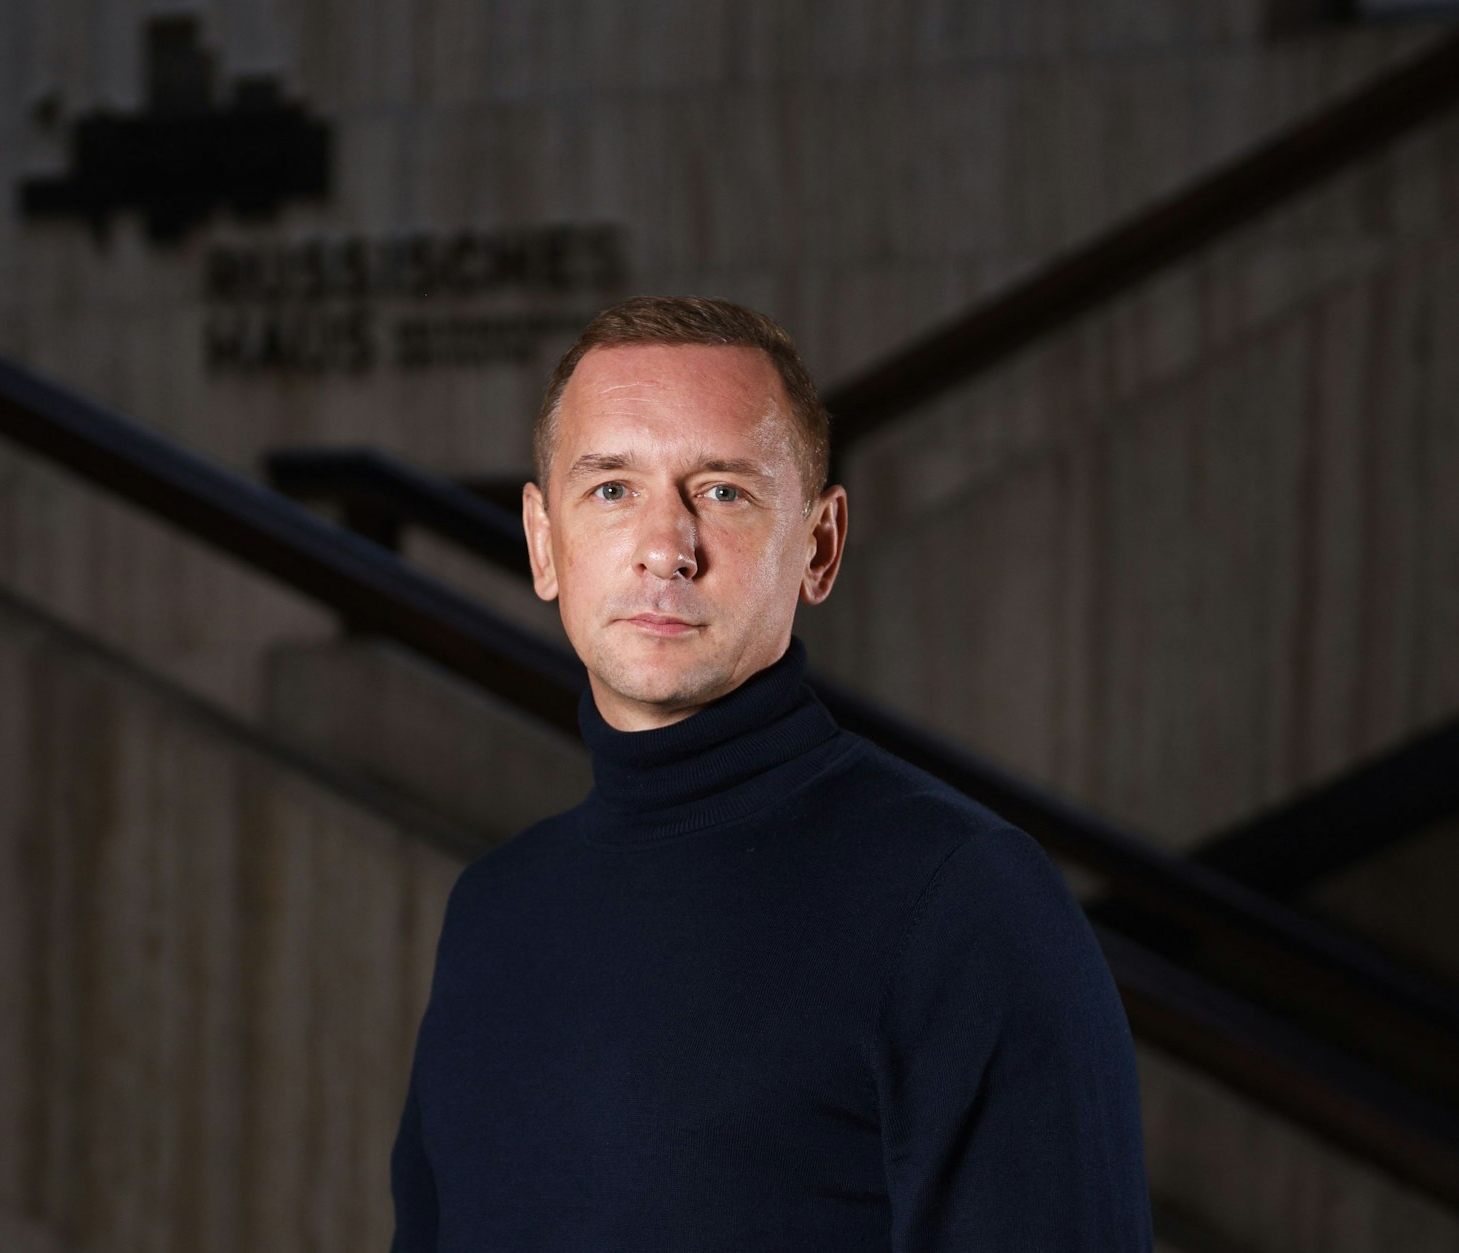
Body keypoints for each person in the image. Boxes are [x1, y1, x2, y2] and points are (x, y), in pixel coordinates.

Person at [388, 296, 1152, 1250]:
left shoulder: (960, 899)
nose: (666, 548)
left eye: (722, 490)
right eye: (613, 488)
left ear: (819, 547)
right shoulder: (494, 912)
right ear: (545, 542)